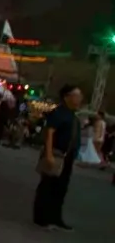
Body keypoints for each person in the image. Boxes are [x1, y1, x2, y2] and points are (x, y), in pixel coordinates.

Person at [33, 84, 82, 231]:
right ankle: (41, 218)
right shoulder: (58, 113)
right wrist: (48, 154)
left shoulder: (72, 115)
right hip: (56, 153)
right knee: (48, 186)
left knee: (61, 187)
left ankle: (55, 217)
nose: (79, 99)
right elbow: (49, 133)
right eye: (76, 95)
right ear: (66, 97)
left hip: (68, 156)